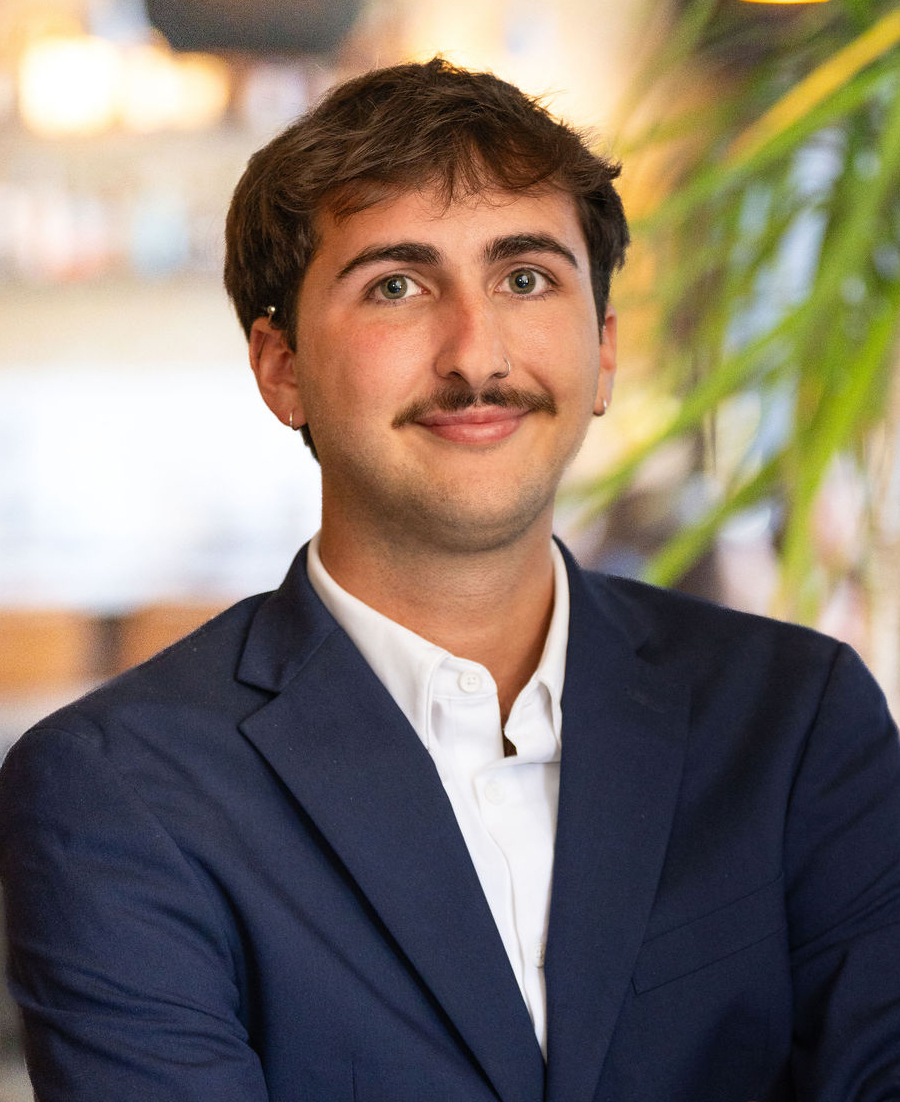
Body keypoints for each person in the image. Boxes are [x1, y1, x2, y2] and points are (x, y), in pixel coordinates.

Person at [2, 57, 899, 1102]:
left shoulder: (796, 722)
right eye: (398, 284)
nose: (477, 352)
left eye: (525, 279)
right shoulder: (116, 791)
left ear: (603, 350)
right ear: (279, 366)